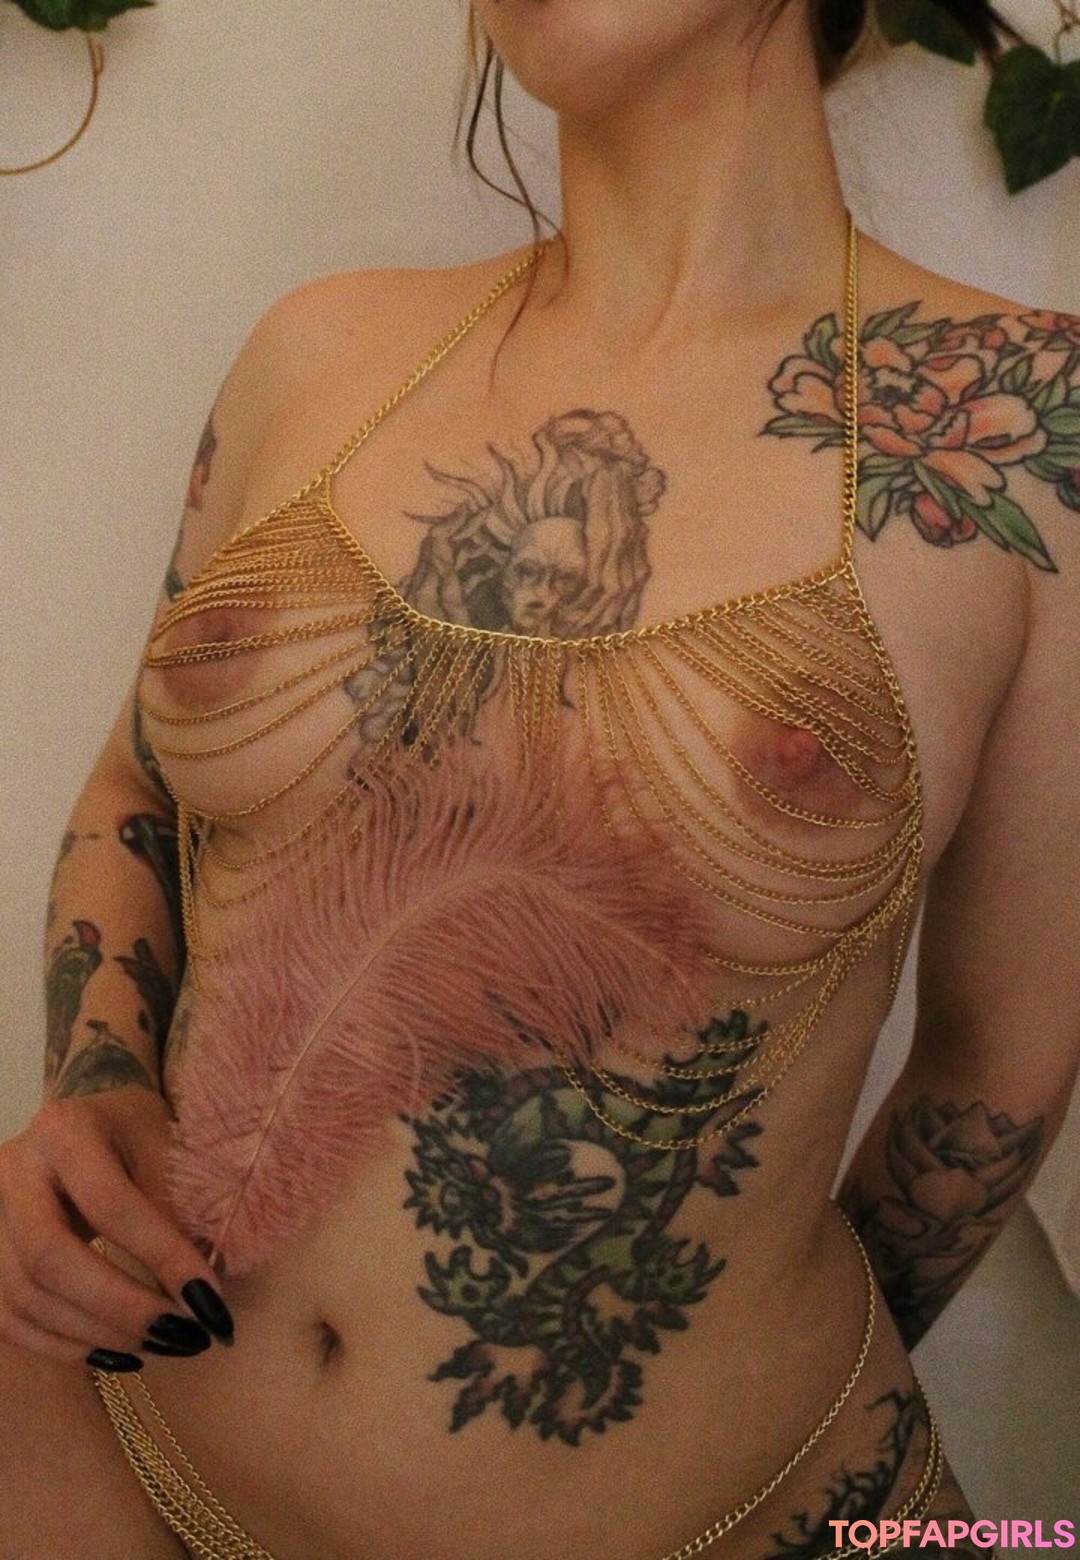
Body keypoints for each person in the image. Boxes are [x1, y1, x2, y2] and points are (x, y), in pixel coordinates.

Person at [2, 1, 1078, 1555]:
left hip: (728, 1516)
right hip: (114, 1442)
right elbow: (140, 789)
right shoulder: (319, 351)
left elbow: (1002, 1057)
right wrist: (93, 1084)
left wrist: (708, 1385)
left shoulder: (1022, 432)